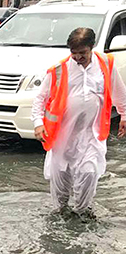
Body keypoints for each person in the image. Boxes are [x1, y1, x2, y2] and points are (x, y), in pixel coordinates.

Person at [32, 28, 126, 220]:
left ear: (91, 48)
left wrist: (124, 115)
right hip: (62, 135)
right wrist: (38, 123)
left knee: (89, 173)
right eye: (73, 53)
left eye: (82, 53)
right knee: (60, 175)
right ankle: (61, 212)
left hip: (92, 132)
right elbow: (40, 99)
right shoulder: (59, 70)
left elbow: (118, 91)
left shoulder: (106, 65)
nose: (77, 57)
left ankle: (82, 212)